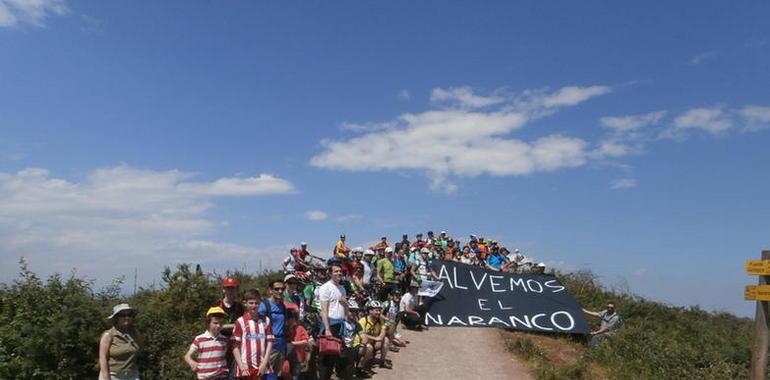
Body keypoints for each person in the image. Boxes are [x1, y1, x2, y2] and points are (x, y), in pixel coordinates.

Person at [232, 289, 274, 380]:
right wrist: (242, 367)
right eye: (251, 303)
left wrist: (264, 363)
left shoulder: (266, 320)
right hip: (246, 367)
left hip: (263, 366)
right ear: (245, 303)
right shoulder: (240, 322)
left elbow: (270, 342)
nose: (254, 306)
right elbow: (235, 347)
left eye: (257, 303)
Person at [318, 264, 349, 380]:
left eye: (340, 271)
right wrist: (327, 329)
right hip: (331, 324)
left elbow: (346, 311)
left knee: (340, 357)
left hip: (340, 324)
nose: (339, 273)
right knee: (327, 358)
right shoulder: (325, 288)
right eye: (336, 271)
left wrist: (345, 303)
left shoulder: (342, 288)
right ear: (330, 273)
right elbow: (324, 311)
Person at [99, 304, 144, 380]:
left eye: (129, 315)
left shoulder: (135, 333)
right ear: (116, 317)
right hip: (113, 374)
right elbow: (102, 357)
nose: (127, 317)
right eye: (123, 315)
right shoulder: (109, 335)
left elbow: (140, 349)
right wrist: (106, 377)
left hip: (132, 374)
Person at [185, 307, 230, 380]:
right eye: (215, 323)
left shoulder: (225, 340)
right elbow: (187, 356)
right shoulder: (199, 339)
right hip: (204, 377)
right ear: (208, 323)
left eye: (221, 323)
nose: (218, 326)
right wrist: (191, 362)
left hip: (221, 376)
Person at [259, 280, 289, 378]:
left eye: (282, 289)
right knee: (267, 373)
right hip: (269, 344)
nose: (280, 291)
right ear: (270, 290)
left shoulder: (283, 306)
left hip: (281, 343)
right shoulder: (264, 305)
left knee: (277, 374)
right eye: (277, 289)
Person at [358, 301, 390, 370]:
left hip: (373, 342)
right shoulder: (363, 320)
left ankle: (382, 361)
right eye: (376, 310)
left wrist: (380, 336)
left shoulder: (380, 321)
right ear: (370, 311)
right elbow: (362, 335)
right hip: (363, 344)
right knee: (369, 347)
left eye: (380, 310)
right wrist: (376, 338)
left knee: (386, 340)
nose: (379, 312)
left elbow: (382, 334)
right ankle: (360, 367)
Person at [283, 310, 310, 380]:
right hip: (286, 357)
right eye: (289, 319)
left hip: (298, 357)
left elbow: (306, 341)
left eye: (292, 319)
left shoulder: (300, 328)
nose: (290, 321)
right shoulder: (284, 329)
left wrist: (292, 343)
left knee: (295, 375)